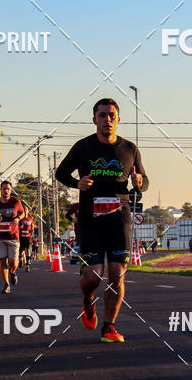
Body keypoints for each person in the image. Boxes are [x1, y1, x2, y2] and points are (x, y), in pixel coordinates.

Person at [56, 97, 149, 343]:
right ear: (94, 119)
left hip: (120, 218)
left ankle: (109, 326)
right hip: (90, 219)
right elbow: (60, 172)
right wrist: (76, 183)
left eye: (112, 115)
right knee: (94, 276)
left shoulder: (129, 149)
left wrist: (140, 183)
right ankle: (88, 301)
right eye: (102, 115)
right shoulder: (83, 147)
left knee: (117, 273)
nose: (107, 119)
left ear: (118, 119)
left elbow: (144, 180)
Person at [0, 180, 25, 293]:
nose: (6, 191)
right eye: (4, 189)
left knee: (13, 262)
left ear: (10, 190)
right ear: (0, 189)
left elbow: (23, 213)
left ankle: (12, 272)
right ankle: (6, 284)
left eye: (8, 189)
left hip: (13, 237)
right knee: (2, 262)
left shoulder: (16, 202)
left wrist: (17, 219)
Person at [18, 206, 34, 273]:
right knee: (21, 251)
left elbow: (32, 226)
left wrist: (32, 230)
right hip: (21, 237)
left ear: (28, 211)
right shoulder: (20, 218)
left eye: (26, 210)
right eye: (23, 210)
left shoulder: (30, 218)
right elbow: (16, 226)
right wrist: (20, 227)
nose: (25, 211)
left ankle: (27, 265)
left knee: (27, 250)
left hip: (28, 237)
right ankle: (21, 260)